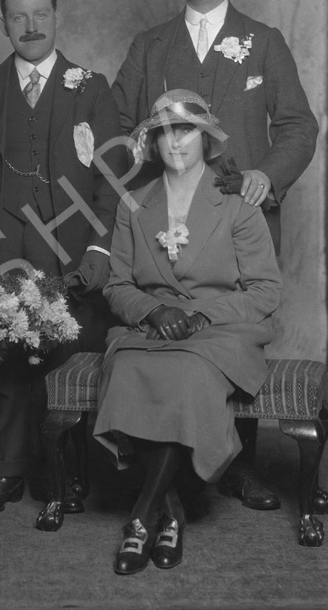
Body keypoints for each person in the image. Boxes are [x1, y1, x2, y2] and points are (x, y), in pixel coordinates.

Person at [112, 0, 318, 510]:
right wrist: (141, 147)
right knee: (171, 326)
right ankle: (165, 466)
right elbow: (121, 123)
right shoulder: (150, 46)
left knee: (230, 328)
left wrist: (267, 175)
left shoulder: (264, 41)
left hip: (240, 217)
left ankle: (235, 464)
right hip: (170, 222)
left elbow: (299, 127)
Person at [93, 89, 282, 574]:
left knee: (186, 374)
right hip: (151, 328)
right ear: (152, 143)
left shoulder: (237, 204)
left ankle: (141, 516)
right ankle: (171, 512)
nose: (175, 142)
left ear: (207, 138)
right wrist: (153, 311)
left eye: (186, 131)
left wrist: (202, 318)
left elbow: (264, 290)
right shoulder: (132, 204)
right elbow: (117, 284)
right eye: (164, 133)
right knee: (132, 366)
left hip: (221, 329)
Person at [0, 0, 127, 515]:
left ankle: (70, 471)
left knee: (70, 354)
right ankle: (5, 472)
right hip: (4, 245)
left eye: (40, 14)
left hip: (71, 250)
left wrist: (99, 250)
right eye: (17, 16)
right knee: (7, 356)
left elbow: (109, 184)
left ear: (57, 18)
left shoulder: (91, 86)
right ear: (3, 23)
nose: (30, 26)